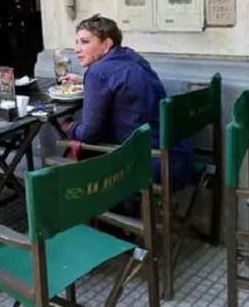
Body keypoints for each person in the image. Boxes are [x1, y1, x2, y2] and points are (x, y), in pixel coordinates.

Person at [60, 14, 194, 190]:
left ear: (107, 44)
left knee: (75, 152)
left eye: (84, 42)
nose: (77, 49)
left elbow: (90, 134)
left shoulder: (98, 72)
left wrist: (69, 126)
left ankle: (91, 211)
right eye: (76, 42)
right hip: (178, 156)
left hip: (151, 162)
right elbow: (118, 80)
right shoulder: (132, 57)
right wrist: (82, 79)